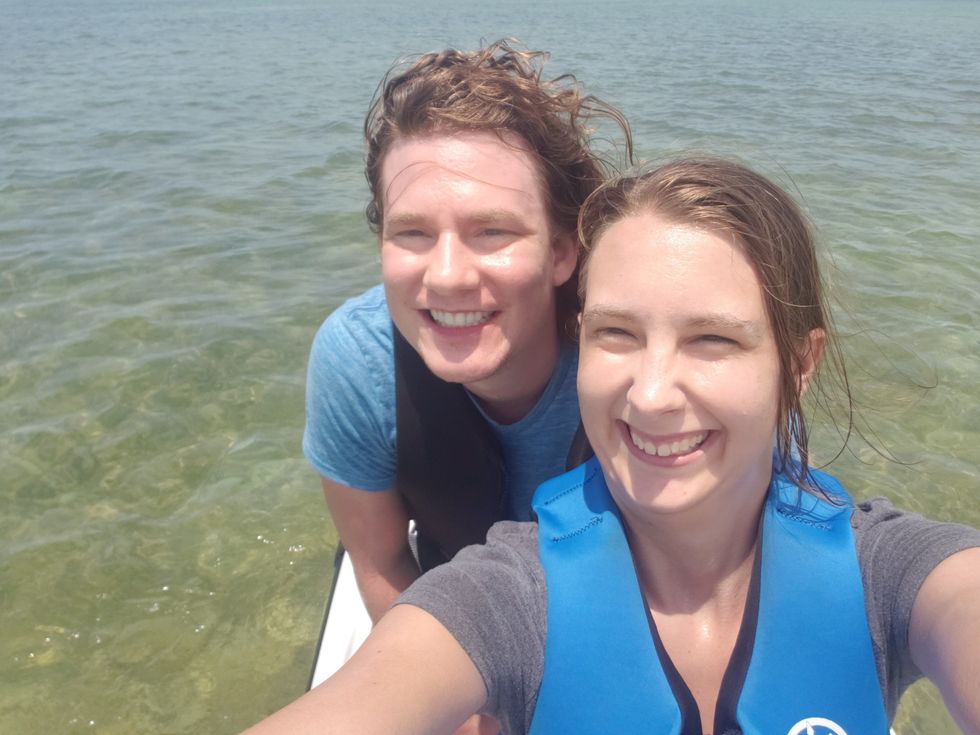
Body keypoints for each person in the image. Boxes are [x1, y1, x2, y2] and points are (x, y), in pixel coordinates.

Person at [248, 157, 980, 734]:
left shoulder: (892, 573)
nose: (652, 393)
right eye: (616, 333)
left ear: (799, 365)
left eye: (714, 339)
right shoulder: (505, 598)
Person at [303, 40, 631, 629]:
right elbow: (380, 563)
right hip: (459, 615)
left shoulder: (635, 350)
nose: (447, 276)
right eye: (412, 233)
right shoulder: (359, 359)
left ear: (560, 252)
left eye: (491, 231)